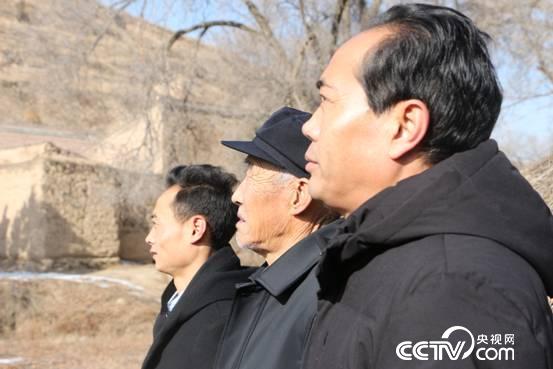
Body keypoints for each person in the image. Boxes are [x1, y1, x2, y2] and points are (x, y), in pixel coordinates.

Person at [301, 3, 553, 369]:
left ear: (404, 126)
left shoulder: (454, 287)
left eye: (326, 101)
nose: (309, 126)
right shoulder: (382, 256)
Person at [213, 107, 338, 369]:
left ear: (298, 196)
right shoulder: (274, 282)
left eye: (252, 176)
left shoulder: (328, 295)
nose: (237, 196)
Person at [141, 164, 252, 369]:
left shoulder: (221, 319)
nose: (149, 238)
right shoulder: (181, 298)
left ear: (196, 229)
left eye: (157, 224)